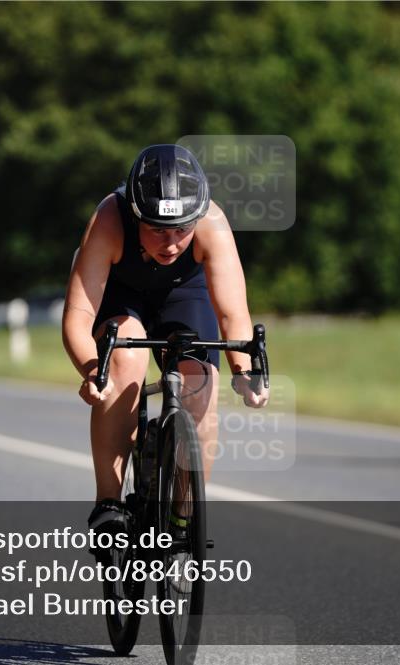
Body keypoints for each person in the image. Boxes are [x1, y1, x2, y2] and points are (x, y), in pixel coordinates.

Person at [62, 144, 269, 546]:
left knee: (201, 387)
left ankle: (182, 521)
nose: (171, 243)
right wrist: (92, 370)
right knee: (125, 358)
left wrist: (245, 373)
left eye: (181, 229)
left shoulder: (212, 222)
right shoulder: (109, 218)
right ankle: (109, 503)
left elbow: (233, 316)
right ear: (136, 214)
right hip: (122, 295)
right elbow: (78, 317)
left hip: (184, 295)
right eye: (157, 228)